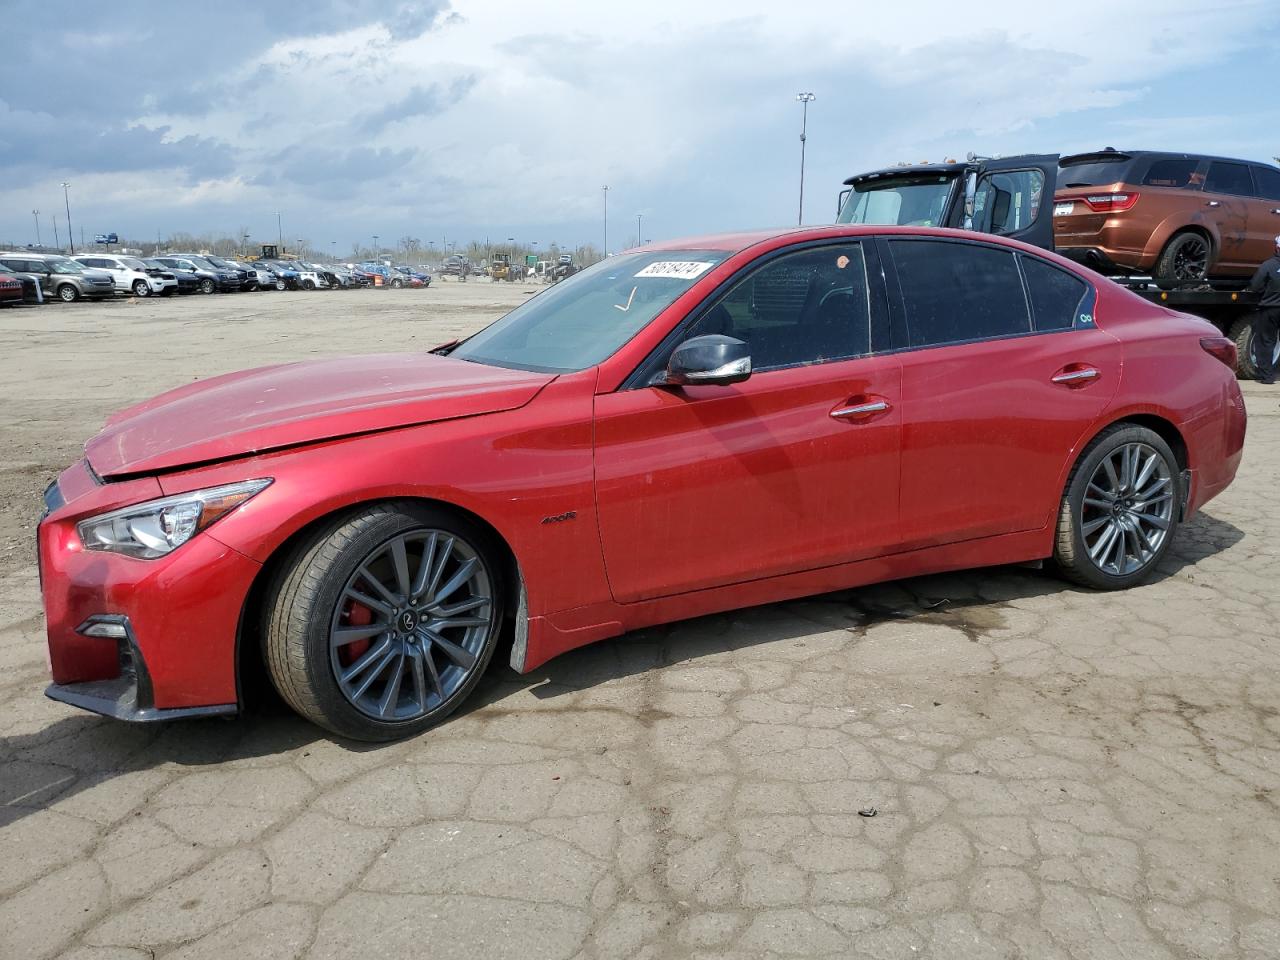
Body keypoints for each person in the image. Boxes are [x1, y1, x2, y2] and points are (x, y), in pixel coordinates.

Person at [1248, 236, 1280, 384]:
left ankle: (1267, 377)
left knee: (1266, 341)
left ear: (1277, 247)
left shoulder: (1268, 265)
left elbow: (1255, 286)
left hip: (1270, 309)